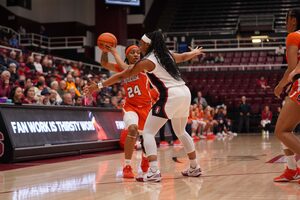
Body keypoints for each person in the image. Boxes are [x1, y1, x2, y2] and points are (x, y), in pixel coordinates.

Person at [85, 30, 204, 182]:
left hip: (170, 95)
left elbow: (124, 74)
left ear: (148, 44)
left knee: (147, 132)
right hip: (184, 92)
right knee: (181, 132)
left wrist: (99, 85)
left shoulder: (148, 60)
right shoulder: (166, 54)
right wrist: (194, 52)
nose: (139, 47)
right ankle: (194, 166)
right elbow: (184, 57)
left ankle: (153, 171)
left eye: (141, 44)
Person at [100, 44, 156, 178]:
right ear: (127, 55)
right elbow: (104, 63)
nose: (137, 55)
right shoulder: (122, 67)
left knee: (147, 137)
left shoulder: (144, 66)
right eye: (132, 53)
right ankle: (127, 166)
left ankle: (145, 158)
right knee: (132, 129)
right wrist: (104, 50)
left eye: (138, 52)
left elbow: (128, 68)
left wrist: (115, 52)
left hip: (146, 107)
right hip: (130, 106)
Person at [273, 9, 300, 183]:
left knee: (281, 130)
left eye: (286, 18)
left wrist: (280, 86)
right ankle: (291, 169)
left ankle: (292, 168)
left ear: (294, 20)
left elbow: (291, 68)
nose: (285, 22)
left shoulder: (294, 37)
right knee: (285, 128)